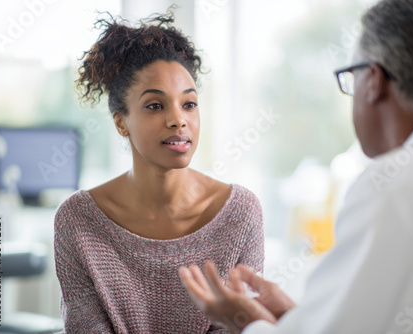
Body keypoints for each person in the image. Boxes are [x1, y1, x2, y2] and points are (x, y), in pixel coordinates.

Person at [179, 0, 413, 333]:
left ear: (374, 81)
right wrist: (298, 319)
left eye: (350, 77)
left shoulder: (404, 185)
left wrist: (246, 321)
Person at [54, 12, 264, 334]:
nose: (178, 120)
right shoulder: (78, 220)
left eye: (189, 104)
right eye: (155, 106)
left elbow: (243, 326)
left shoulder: (241, 214)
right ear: (121, 122)